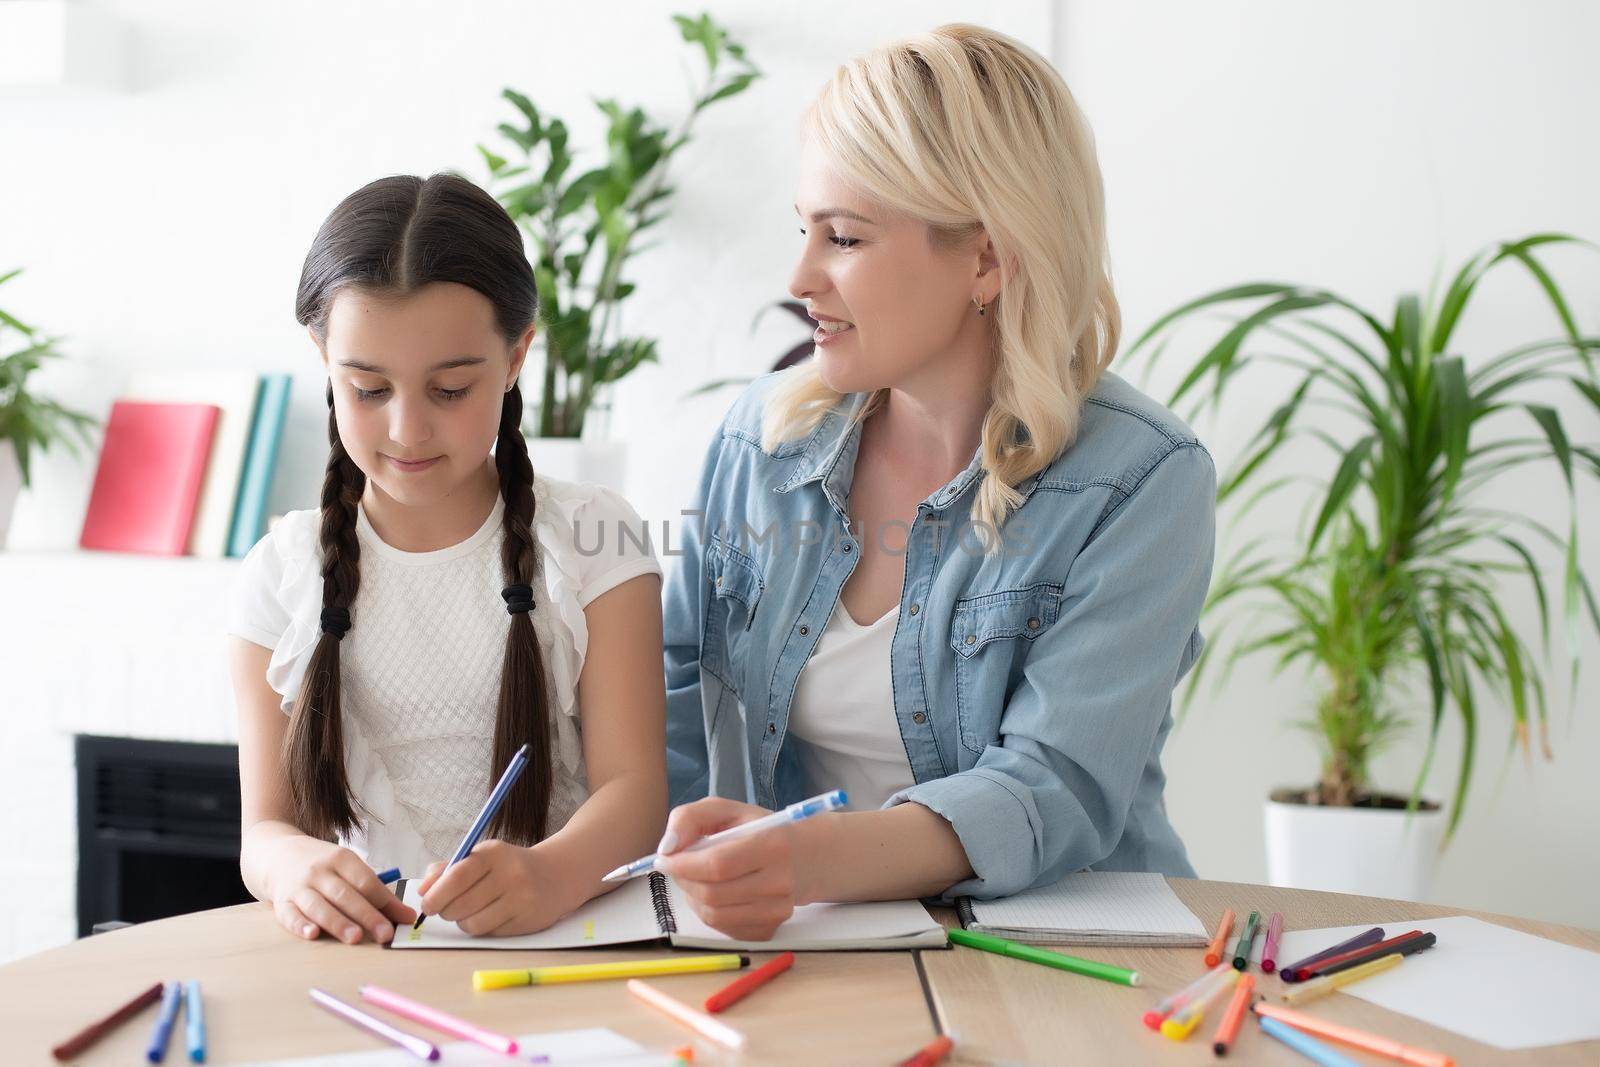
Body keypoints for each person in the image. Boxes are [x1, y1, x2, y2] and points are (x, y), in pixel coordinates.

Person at [659, 24, 1215, 941]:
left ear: (987, 259)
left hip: (1063, 952)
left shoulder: (1142, 480)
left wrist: (801, 861)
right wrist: (654, 881)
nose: (800, 276)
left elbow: (1053, 784)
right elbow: (669, 694)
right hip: (815, 947)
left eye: (843, 237)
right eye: (806, 229)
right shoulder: (757, 441)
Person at [228, 174, 667, 944]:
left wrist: (552, 875)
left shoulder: (596, 537)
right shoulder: (280, 573)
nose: (407, 429)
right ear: (323, 357)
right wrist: (293, 867)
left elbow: (635, 794)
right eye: (367, 388)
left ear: (517, 354)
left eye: (452, 389)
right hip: (370, 964)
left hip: (562, 952)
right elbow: (264, 830)